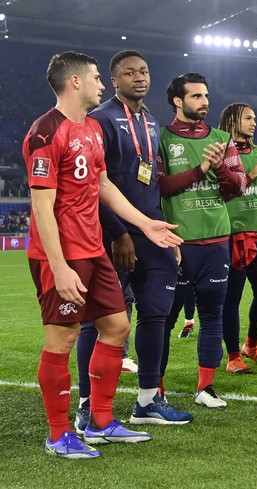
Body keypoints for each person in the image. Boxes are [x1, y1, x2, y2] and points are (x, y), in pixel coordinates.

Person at [24, 51, 182, 458]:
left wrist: (145, 224)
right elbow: (42, 206)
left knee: (115, 327)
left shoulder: (92, 128)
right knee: (62, 338)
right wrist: (58, 268)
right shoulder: (45, 132)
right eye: (96, 77)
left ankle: (101, 420)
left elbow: (103, 184)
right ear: (75, 82)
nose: (101, 83)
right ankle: (59, 435)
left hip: (93, 249)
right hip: (61, 254)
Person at [76, 50, 192, 429]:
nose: (139, 77)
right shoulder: (100, 120)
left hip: (150, 231)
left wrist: (162, 232)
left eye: (143, 71)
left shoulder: (152, 121)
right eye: (129, 73)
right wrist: (119, 233)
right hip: (114, 237)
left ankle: (147, 401)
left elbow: (152, 183)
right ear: (114, 80)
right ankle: (87, 402)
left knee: (156, 314)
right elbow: (97, 184)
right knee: (100, 320)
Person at [158, 72, 247, 408]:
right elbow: (159, 186)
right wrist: (200, 169)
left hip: (215, 241)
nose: (204, 102)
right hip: (176, 242)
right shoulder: (161, 138)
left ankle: (206, 388)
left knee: (212, 314)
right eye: (196, 96)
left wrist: (220, 167)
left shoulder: (223, 139)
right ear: (177, 101)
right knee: (163, 320)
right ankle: (157, 388)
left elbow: (237, 187)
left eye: (206, 96)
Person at [217, 102, 257, 373]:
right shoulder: (219, 150)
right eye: (248, 118)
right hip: (230, 230)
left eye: (255, 118)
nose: (254, 123)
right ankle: (232, 357)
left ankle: (252, 344)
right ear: (231, 120)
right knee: (232, 296)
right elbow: (224, 191)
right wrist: (251, 176)